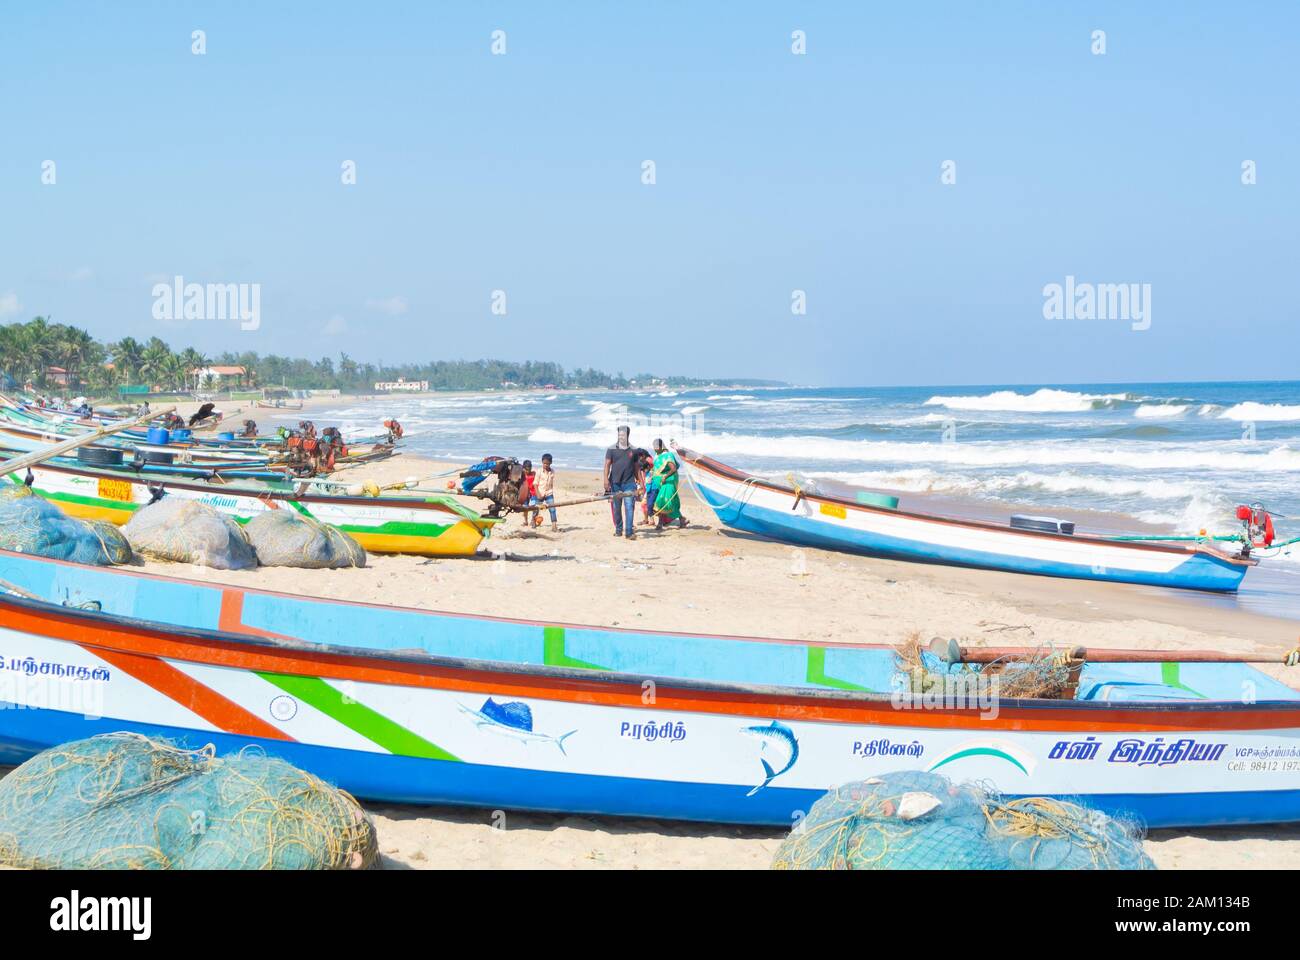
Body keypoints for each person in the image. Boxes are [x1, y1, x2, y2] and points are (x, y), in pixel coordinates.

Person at [603, 425, 643, 540]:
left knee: (629, 507)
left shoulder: (634, 450)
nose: (621, 437)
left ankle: (629, 532)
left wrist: (641, 483)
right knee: (617, 508)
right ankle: (619, 529)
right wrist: (606, 479)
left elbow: (636, 468)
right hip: (615, 483)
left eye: (623, 435)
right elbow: (607, 465)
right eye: (619, 434)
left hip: (629, 483)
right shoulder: (611, 449)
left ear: (627, 435)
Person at [650, 442, 687, 529]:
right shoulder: (658, 456)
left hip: (669, 482)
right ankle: (682, 520)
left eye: (656, 447)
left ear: (661, 447)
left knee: (662, 501)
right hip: (663, 483)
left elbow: (673, 468)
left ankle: (660, 524)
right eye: (653, 447)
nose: (654, 449)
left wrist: (665, 476)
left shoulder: (668, 455)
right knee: (672, 501)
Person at [642, 439, 667, 524]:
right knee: (648, 505)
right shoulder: (656, 456)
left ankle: (657, 521)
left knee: (652, 505)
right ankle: (651, 520)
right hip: (649, 489)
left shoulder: (663, 455)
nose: (654, 448)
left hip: (655, 487)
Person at [534, 453, 558, 531]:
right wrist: (538, 494)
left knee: (552, 509)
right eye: (544, 463)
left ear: (551, 463)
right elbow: (535, 484)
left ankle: (554, 525)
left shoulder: (552, 472)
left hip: (549, 493)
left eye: (547, 463)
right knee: (536, 509)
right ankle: (533, 522)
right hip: (540, 493)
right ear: (542, 462)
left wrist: (549, 492)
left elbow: (551, 484)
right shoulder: (539, 471)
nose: (546, 465)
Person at [519, 459, 539, 525]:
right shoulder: (522, 475)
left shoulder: (534, 474)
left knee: (535, 507)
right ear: (523, 468)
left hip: (533, 493)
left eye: (529, 469)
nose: (528, 471)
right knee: (525, 508)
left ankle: (533, 520)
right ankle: (525, 521)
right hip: (525, 493)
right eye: (527, 469)